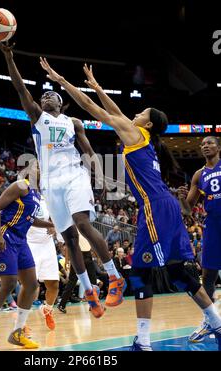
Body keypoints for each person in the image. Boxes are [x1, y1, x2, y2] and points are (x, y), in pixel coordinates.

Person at [39, 59, 221, 351]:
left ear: (147, 123)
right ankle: (216, 322)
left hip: (155, 208)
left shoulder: (134, 133)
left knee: (140, 274)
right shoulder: (142, 134)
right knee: (178, 273)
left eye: (140, 112)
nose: (133, 114)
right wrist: (98, 86)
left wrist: (61, 80)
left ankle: (144, 342)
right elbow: (115, 111)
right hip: (168, 207)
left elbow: (91, 108)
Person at [0, 42, 126, 319]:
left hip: (74, 175)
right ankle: (89, 290)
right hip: (50, 185)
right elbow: (20, 88)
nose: (45, 96)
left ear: (61, 102)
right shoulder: (37, 118)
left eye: (51, 94)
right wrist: (9, 57)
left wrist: (101, 179)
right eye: (43, 95)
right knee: (68, 239)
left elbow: (90, 153)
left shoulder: (73, 122)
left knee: (82, 224)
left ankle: (115, 277)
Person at [0, 178, 54, 351]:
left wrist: (50, 224)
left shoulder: (37, 195)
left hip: (20, 239)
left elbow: (30, 220)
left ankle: (17, 333)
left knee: (31, 285)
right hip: (4, 233)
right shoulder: (21, 185)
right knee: (9, 283)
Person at [178, 136, 221, 343]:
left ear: (218, 147)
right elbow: (187, 209)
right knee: (208, 274)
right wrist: (181, 198)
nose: (205, 146)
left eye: (210, 143)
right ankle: (209, 320)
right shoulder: (198, 175)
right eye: (202, 144)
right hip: (213, 225)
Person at [24, 160, 59, 330]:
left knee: (53, 284)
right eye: (36, 167)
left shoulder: (47, 194)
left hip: (47, 243)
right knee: (30, 286)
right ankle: (22, 323)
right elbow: (28, 219)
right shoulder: (22, 190)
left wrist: (54, 225)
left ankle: (48, 309)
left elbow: (54, 216)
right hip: (29, 243)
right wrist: (49, 225)